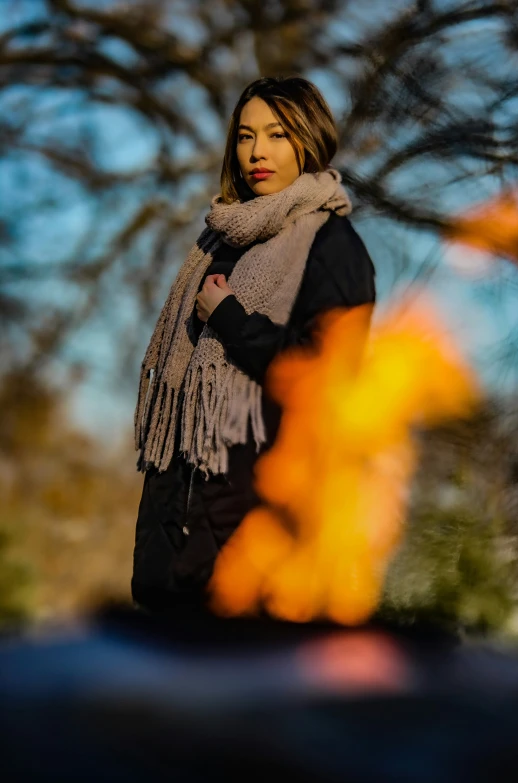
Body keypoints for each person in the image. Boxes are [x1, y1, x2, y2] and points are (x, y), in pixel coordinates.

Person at [131, 75, 377, 614]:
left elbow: (329, 381)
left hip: (255, 544)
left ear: (308, 140)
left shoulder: (333, 246)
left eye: (276, 134)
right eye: (245, 136)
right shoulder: (213, 243)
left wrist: (231, 319)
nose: (256, 152)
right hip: (175, 539)